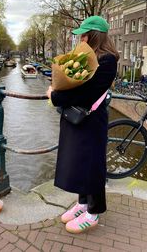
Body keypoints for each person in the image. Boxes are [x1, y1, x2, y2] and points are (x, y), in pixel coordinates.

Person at [46, 15, 119, 234]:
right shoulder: (87, 56)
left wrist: (55, 96)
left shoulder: (108, 61)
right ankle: (82, 202)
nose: (81, 39)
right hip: (77, 119)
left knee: (92, 164)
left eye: (84, 35)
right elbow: (75, 86)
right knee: (78, 162)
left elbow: (86, 93)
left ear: (94, 35)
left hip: (91, 120)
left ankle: (94, 211)